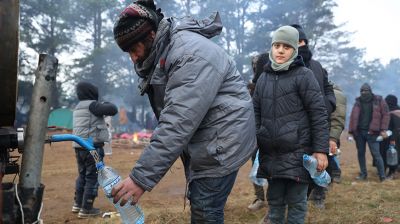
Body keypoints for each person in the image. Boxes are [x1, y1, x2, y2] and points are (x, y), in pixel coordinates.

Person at [111, 1, 257, 223]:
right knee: (201, 202)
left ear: (150, 35)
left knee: (206, 209)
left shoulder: (190, 55)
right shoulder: (165, 51)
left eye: (133, 49)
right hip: (207, 135)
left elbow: (177, 123)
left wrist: (140, 179)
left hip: (223, 140)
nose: (132, 58)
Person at [253, 25, 329, 224]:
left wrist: (320, 150)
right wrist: (257, 139)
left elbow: (318, 114)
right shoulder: (263, 78)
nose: (280, 50)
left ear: (294, 50)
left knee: (296, 202)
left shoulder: (304, 75)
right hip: (271, 154)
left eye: (286, 47)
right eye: (276, 45)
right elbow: (256, 114)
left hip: (298, 152)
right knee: (275, 202)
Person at [290, 24, 336, 209]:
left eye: (303, 41)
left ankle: (318, 196)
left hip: (318, 124)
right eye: (297, 42)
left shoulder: (317, 66)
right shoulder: (286, 67)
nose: (301, 45)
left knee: (318, 165)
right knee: (292, 168)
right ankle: (286, 206)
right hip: (294, 126)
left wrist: (327, 103)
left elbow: (328, 89)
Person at [71, 81, 118, 218]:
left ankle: (78, 204)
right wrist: (105, 103)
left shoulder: (78, 107)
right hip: (92, 148)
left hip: (79, 147)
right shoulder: (93, 105)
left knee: (82, 175)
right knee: (93, 176)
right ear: (92, 93)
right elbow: (113, 109)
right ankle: (87, 208)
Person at [349, 83, 390, 182]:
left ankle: (382, 176)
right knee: (361, 153)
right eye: (362, 91)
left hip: (373, 133)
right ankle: (363, 174)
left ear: (370, 91)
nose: (364, 92)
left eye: (366, 90)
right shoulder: (358, 102)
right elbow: (353, 117)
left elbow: (386, 115)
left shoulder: (379, 100)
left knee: (376, 154)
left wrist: (383, 129)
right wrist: (351, 131)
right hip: (359, 133)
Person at [247, 53, 269, 212]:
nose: (255, 68)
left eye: (257, 65)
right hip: (254, 132)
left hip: (273, 131)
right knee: (255, 164)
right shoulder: (251, 86)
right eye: (253, 65)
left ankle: (277, 201)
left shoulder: (275, 80)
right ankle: (260, 197)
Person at [328, 83, 347, 183]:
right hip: (335, 130)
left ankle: (335, 173)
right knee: (333, 153)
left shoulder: (334, 94)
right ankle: (335, 174)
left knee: (331, 153)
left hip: (329, 130)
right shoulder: (341, 94)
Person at [379, 94, 400, 179]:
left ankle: (391, 172)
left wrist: (392, 139)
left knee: (391, 155)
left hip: (392, 138)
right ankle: (384, 170)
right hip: (389, 137)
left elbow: (395, 128)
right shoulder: (396, 110)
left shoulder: (394, 113)